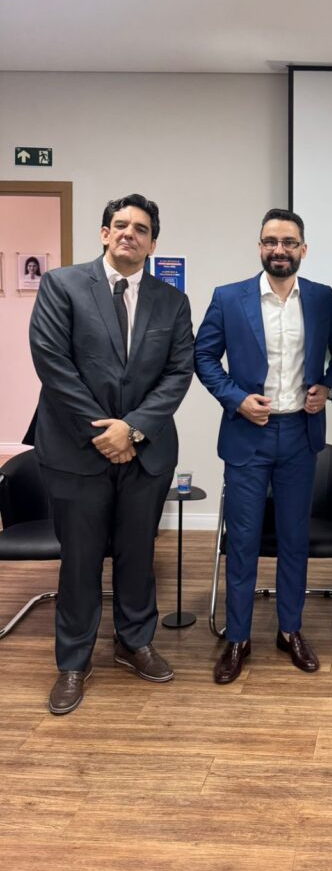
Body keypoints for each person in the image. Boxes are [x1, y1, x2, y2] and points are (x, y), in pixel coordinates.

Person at [29, 194, 194, 715]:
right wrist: (105, 432)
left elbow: (178, 373)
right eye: (121, 225)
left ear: (152, 243)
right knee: (79, 560)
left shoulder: (172, 302)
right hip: (76, 449)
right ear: (104, 233)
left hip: (146, 453)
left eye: (141, 229)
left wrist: (133, 430)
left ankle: (134, 641)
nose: (130, 234)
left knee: (137, 554)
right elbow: (52, 362)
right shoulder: (63, 285)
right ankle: (73, 662)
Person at [195, 208, 332, 683]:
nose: (280, 249)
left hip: (300, 434)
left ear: (303, 249)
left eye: (288, 242)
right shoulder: (228, 297)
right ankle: (238, 637)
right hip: (248, 435)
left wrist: (329, 386)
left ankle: (289, 630)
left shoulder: (321, 298)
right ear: (260, 247)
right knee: (242, 540)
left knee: (294, 539)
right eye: (271, 241)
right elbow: (203, 356)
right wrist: (236, 399)